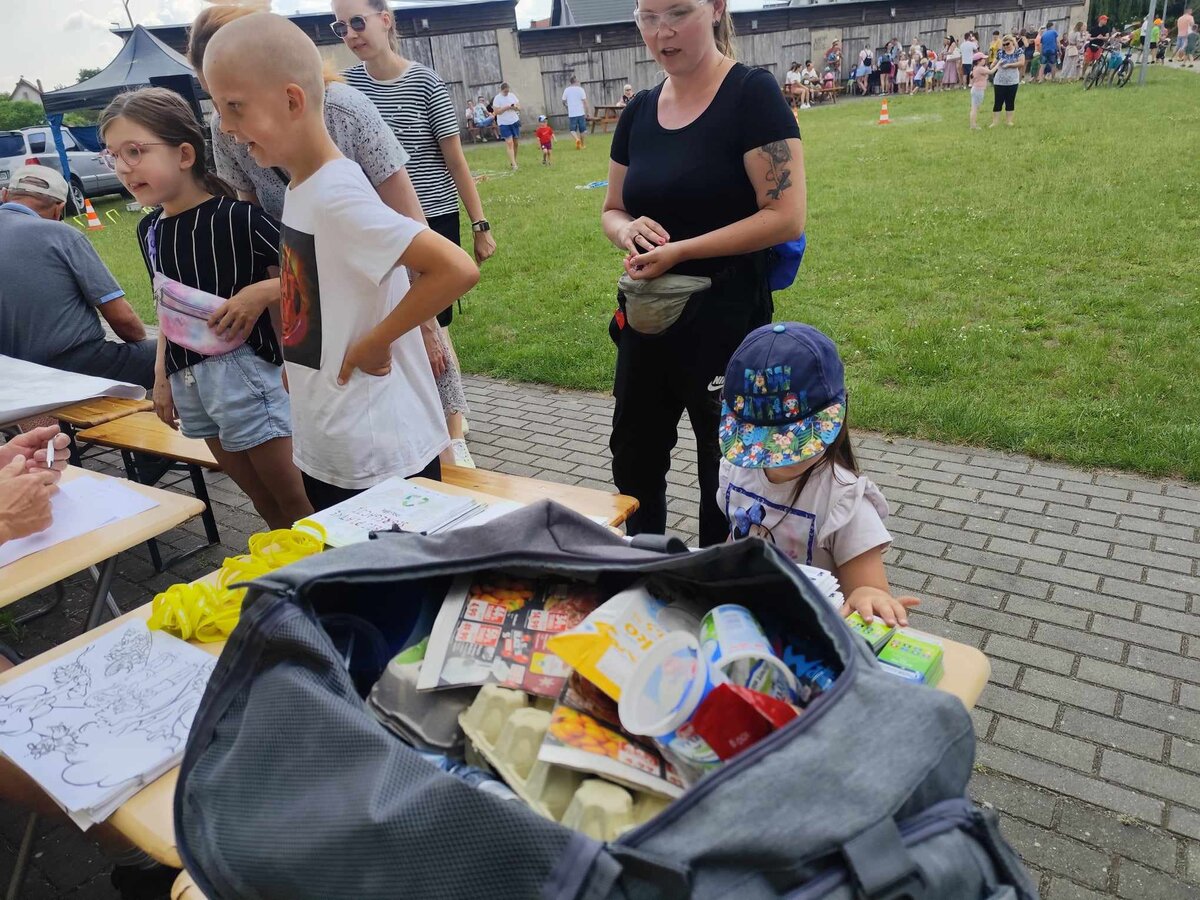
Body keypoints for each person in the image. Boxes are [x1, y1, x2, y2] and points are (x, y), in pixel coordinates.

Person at [203, 13, 480, 512]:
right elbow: (313, 288)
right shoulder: (302, 188)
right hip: (331, 437)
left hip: (375, 455)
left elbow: (455, 268)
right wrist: (299, 362)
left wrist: (377, 341)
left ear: (292, 100)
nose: (225, 126)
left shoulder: (336, 196)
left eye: (234, 106)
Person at [600, 0, 805, 546]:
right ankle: (644, 567)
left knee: (727, 467)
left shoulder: (751, 95)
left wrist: (681, 251)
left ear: (716, 8)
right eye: (648, 17)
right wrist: (626, 231)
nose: (661, 31)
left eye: (678, 12)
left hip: (727, 320)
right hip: (648, 321)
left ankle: (716, 576)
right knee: (634, 458)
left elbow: (785, 216)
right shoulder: (639, 111)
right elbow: (612, 208)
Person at [99, 89, 313, 531]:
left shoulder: (239, 218)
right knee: (260, 499)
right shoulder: (149, 230)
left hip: (248, 377)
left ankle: (332, 572)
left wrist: (261, 292)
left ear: (184, 154)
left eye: (135, 151)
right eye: (113, 155)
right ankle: (290, 567)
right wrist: (161, 378)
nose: (123, 167)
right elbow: (166, 306)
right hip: (189, 382)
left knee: (297, 501)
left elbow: (315, 272)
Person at [334, 0, 498, 469]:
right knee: (393, 321)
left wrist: (480, 224)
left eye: (358, 21)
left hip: (432, 221)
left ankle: (453, 429)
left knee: (433, 325)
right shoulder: (343, 89)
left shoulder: (425, 82)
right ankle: (420, 419)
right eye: (341, 27)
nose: (352, 33)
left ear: (385, 20)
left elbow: (455, 160)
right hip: (376, 227)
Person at [717, 323, 919, 626]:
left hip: (812, 637)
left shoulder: (844, 502)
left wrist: (870, 597)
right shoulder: (735, 470)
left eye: (791, 442)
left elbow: (870, 591)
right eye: (763, 443)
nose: (777, 456)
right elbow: (736, 538)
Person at [0, 165, 156, 389]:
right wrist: (142, 347)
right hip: (73, 366)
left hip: (10, 373)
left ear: (5, 195)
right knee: (173, 353)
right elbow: (122, 318)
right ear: (59, 209)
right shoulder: (62, 235)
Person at [991, 34, 1023, 128]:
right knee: (998, 101)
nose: (1005, 46)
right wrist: (995, 64)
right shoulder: (1000, 53)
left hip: (1012, 81)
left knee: (1010, 101)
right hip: (999, 81)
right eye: (1004, 45)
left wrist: (1009, 65)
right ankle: (995, 122)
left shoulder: (1018, 51)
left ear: (1012, 42)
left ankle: (1009, 121)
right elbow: (993, 64)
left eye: (1007, 44)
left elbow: (1021, 63)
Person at [493, 81, 522, 171]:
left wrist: (515, 107)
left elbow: (519, 107)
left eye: (508, 91)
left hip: (514, 121)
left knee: (516, 143)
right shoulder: (497, 98)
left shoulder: (512, 96)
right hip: (504, 123)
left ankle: (514, 160)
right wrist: (506, 108)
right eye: (505, 91)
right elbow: (496, 112)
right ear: (501, 90)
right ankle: (514, 165)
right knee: (509, 143)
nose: (506, 93)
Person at [561, 75, 589, 149]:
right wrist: (587, 112)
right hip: (581, 112)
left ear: (570, 82)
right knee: (582, 130)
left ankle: (577, 139)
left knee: (572, 130)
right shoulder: (581, 90)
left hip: (572, 113)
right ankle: (583, 145)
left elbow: (563, 101)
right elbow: (585, 102)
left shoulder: (567, 90)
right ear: (576, 81)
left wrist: (566, 106)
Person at [968, 52, 989, 129]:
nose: (985, 60)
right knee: (974, 108)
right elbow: (991, 71)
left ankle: (973, 124)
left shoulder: (976, 68)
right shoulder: (979, 68)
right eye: (983, 59)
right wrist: (998, 64)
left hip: (976, 89)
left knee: (974, 108)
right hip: (978, 90)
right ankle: (973, 125)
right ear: (978, 61)